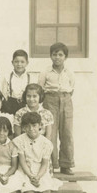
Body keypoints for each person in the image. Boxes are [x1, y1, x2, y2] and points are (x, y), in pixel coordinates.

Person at [12, 112, 62, 193]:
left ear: (40, 126)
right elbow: (22, 161)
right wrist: (30, 176)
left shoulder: (46, 143)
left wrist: (38, 176)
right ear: (23, 128)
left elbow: (45, 163)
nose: (31, 129)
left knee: (46, 191)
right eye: (27, 126)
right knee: (29, 192)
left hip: (40, 170)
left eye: (34, 126)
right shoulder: (20, 140)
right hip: (25, 170)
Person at [38, 42, 75, 175]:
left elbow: (71, 90)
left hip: (66, 101)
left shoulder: (69, 73)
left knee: (67, 133)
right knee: (50, 133)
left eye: (60, 55)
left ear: (65, 57)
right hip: (50, 100)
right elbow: (40, 89)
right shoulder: (45, 72)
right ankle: (52, 164)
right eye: (55, 54)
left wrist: (64, 98)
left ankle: (66, 164)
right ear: (50, 56)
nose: (57, 57)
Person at [1, 50, 31, 115]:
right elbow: (4, 94)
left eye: (22, 62)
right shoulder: (7, 77)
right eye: (16, 62)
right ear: (12, 62)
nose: (19, 64)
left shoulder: (30, 77)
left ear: (27, 63)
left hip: (25, 105)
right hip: (11, 106)